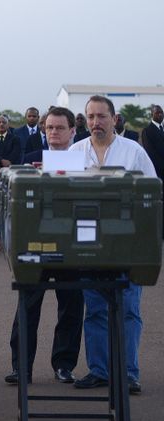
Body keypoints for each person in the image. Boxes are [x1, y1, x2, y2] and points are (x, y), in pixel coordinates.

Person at [69, 95, 157, 395]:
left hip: (127, 244)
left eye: (101, 116)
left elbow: (152, 197)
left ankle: (129, 372)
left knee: (129, 309)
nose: (95, 122)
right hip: (88, 243)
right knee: (94, 309)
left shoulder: (134, 152)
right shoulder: (75, 152)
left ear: (114, 118)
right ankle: (100, 370)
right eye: (90, 117)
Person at [4, 107, 83, 385]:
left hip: (72, 245)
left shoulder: (83, 161)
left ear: (72, 130)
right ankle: (21, 366)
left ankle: (64, 364)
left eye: (60, 127)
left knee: (71, 305)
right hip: (35, 243)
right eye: (49, 127)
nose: (54, 133)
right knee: (27, 305)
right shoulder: (29, 160)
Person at [0, 114, 21, 228]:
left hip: (9, 175)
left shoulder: (15, 139)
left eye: (4, 122)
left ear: (8, 124)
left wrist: (4, 168)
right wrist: (0, 161)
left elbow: (16, 155)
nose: (1, 124)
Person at [141, 104, 164, 238]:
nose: (160, 115)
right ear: (152, 114)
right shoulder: (147, 131)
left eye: (161, 112)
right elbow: (151, 154)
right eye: (157, 113)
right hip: (159, 174)